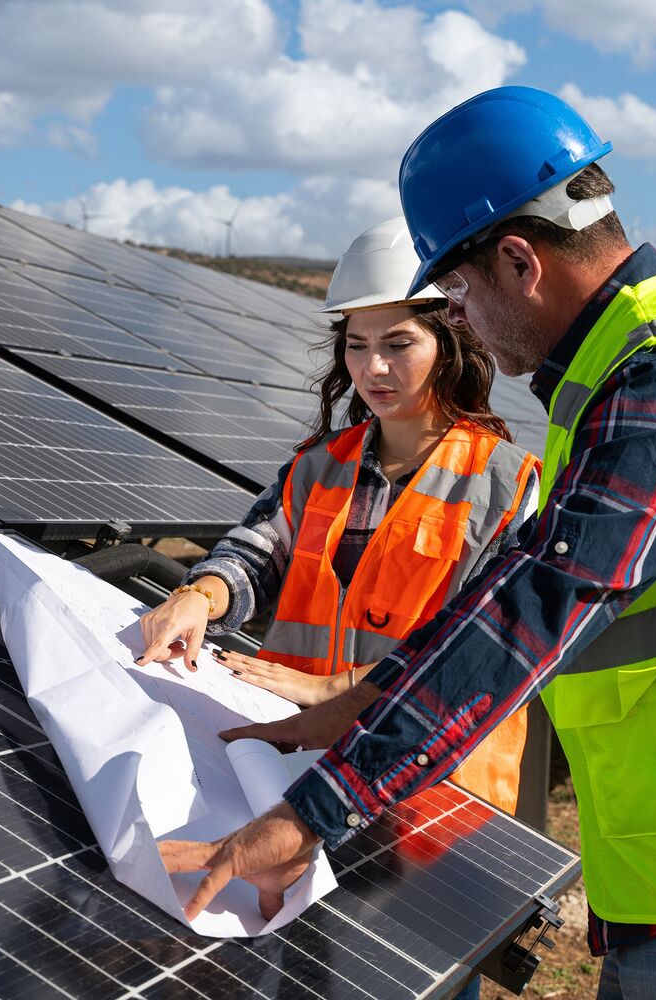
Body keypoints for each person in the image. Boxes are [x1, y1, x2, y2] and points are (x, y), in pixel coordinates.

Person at [158, 87, 656, 1000]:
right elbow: (509, 586)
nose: (464, 319)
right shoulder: (620, 374)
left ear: (517, 260)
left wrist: (317, 812)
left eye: (454, 291)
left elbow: (544, 603)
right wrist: (363, 698)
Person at [138, 216, 540, 818]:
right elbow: (257, 553)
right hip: (287, 757)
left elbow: (493, 643)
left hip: (428, 781)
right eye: (358, 344)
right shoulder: (317, 468)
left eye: (398, 344)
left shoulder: (507, 485)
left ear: (450, 343)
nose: (373, 367)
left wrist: (340, 690)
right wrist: (203, 593)